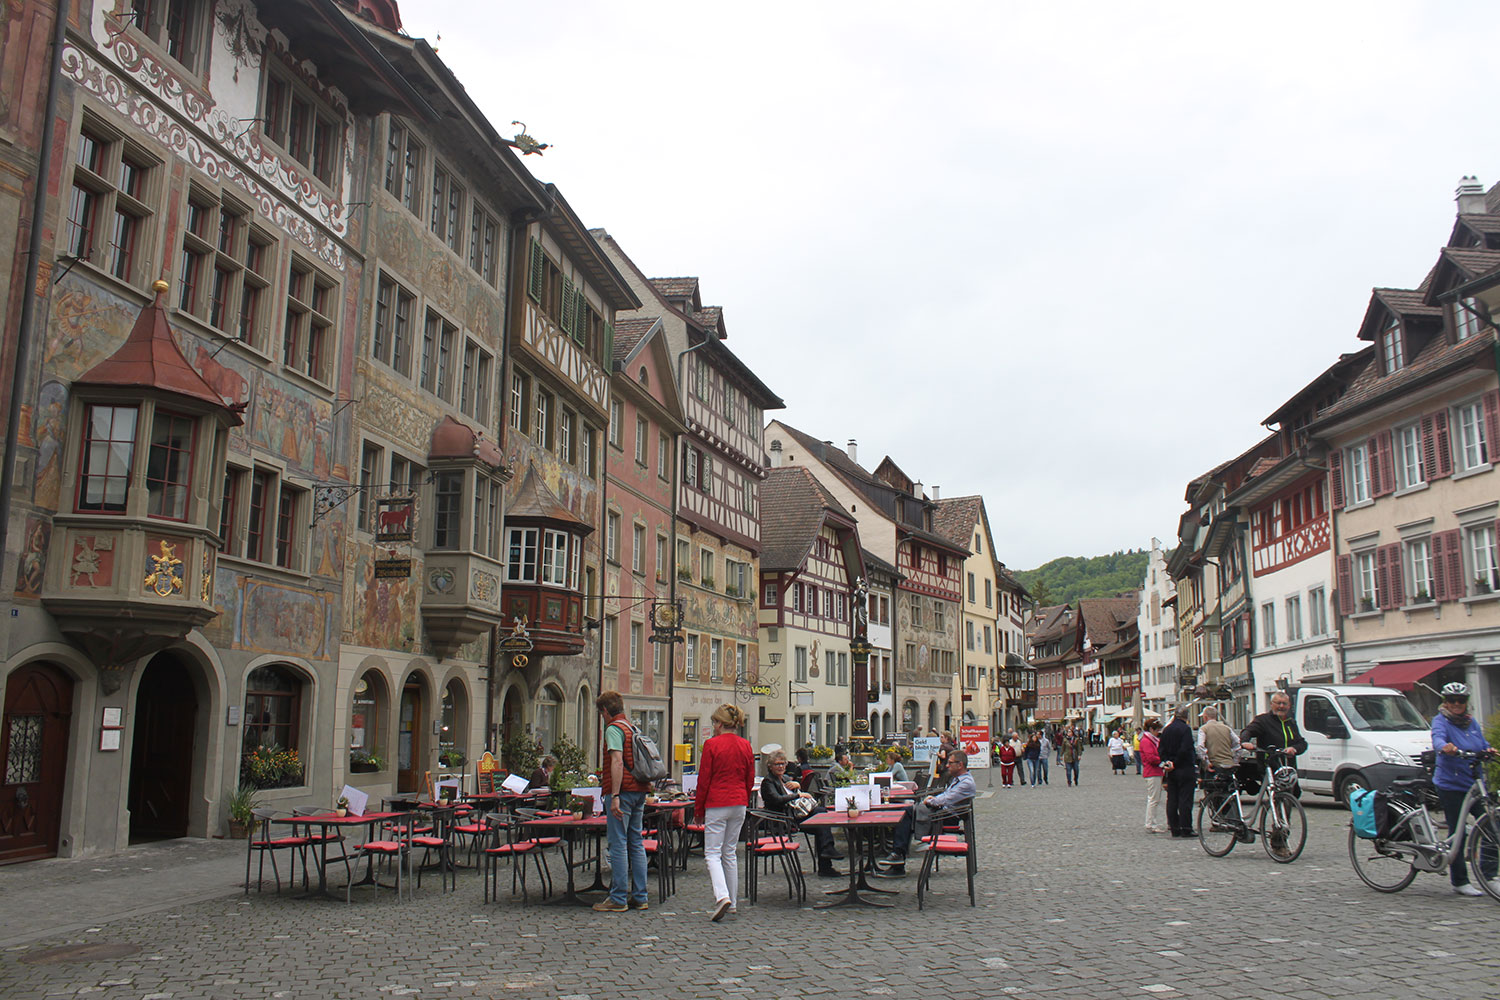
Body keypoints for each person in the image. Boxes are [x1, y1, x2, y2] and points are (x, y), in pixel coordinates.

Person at [1430, 682, 1496, 897]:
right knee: (1457, 833)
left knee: (1491, 826)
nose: (1457, 704)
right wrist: (1445, 747)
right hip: (1451, 785)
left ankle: (1490, 875)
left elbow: (1480, 742)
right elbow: (1437, 739)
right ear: (1445, 702)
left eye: (1461, 701)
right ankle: (1459, 881)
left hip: (1473, 784)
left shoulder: (1471, 722)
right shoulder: (1441, 721)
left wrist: (1489, 749)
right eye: (1452, 701)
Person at [694, 704, 755, 921]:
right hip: (739, 802)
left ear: (719, 724)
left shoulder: (712, 745)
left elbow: (704, 780)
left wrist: (698, 809)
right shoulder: (745, 745)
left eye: (714, 723)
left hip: (717, 802)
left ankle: (722, 896)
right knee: (729, 852)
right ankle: (733, 903)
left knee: (712, 853)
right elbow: (750, 777)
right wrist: (744, 798)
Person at [593, 690, 650, 912]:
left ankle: (618, 898)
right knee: (635, 842)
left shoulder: (614, 729)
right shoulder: (632, 727)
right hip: (639, 790)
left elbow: (616, 762)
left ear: (605, 711)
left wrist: (614, 795)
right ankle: (640, 896)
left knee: (617, 843)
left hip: (623, 791)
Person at [881, 749, 977, 873]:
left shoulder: (966, 783)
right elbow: (946, 796)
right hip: (942, 812)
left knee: (906, 813)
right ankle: (897, 856)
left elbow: (946, 799)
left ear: (960, 765)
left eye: (950, 763)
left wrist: (931, 801)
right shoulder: (959, 779)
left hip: (945, 817)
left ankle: (898, 856)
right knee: (907, 812)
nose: (947, 765)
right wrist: (934, 799)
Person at [759, 750, 842, 876]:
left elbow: (796, 795)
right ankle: (826, 859)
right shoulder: (768, 782)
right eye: (777, 764)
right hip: (784, 819)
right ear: (770, 766)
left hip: (796, 814)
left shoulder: (785, 778)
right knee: (821, 820)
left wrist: (797, 786)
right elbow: (777, 799)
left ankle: (827, 854)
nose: (781, 766)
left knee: (821, 815)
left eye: (783, 763)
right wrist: (797, 794)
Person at [1158, 706, 1198, 838]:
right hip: (1184, 767)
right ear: (1186, 717)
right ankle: (1186, 827)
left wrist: (1167, 762)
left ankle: (1174, 828)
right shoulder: (1185, 729)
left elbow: (1161, 748)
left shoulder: (1167, 729)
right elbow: (1185, 748)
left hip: (1170, 769)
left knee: (1172, 799)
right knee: (1185, 799)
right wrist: (1176, 762)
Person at [1139, 718, 1166, 833]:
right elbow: (1151, 757)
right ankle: (1150, 823)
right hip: (1152, 772)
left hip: (1154, 772)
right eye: (1157, 730)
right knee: (1153, 799)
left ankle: (1151, 822)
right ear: (1151, 729)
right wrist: (1162, 761)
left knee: (1154, 798)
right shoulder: (1146, 741)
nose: (1158, 732)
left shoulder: (1150, 740)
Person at [1198, 706, 1238, 772]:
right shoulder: (1227, 728)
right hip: (1229, 765)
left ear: (1205, 717)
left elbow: (1200, 747)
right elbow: (1238, 745)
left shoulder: (1203, 729)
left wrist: (1206, 763)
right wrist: (1235, 762)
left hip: (1214, 765)